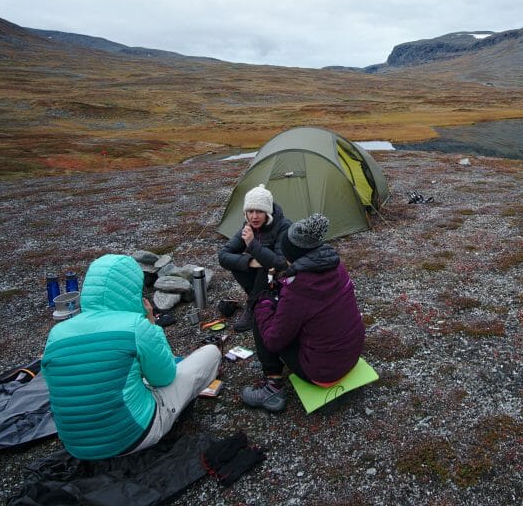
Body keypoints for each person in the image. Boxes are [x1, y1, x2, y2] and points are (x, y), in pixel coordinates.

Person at [41, 254, 221, 460]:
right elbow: (165, 377)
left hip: (75, 445)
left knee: (127, 372)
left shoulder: (57, 333)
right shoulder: (136, 326)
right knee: (210, 353)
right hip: (133, 436)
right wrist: (151, 325)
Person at [242, 213, 365, 412]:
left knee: (262, 312)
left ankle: (272, 388)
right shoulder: (337, 267)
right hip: (351, 352)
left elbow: (274, 340)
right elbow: (314, 305)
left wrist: (264, 302)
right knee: (296, 316)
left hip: (324, 371)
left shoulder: (299, 288)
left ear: (293, 255)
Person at [217, 184, 291, 332]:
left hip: (283, 277)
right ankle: (259, 301)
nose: (254, 216)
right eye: (250, 211)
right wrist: (250, 261)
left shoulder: (283, 226)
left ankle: (253, 306)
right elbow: (223, 255)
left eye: (259, 211)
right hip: (262, 277)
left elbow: (281, 264)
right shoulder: (248, 226)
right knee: (239, 262)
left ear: (268, 212)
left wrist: (251, 243)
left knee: (267, 264)